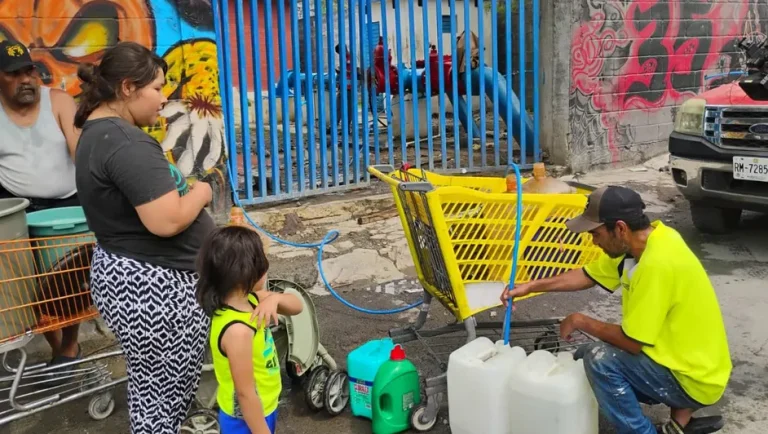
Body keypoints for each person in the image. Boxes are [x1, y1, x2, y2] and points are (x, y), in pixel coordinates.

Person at [500, 186, 731, 434]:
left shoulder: (656, 265)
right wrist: (531, 286)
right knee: (584, 355)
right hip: (689, 360)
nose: (593, 241)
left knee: (600, 360)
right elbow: (588, 275)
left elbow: (632, 342)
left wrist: (580, 320)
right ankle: (678, 424)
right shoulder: (649, 241)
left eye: (596, 233)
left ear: (620, 228)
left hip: (693, 378)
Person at [73, 42, 215, 433]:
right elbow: (167, 221)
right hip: (155, 288)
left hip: (139, 279)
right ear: (127, 88)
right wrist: (202, 191)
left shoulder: (99, 132)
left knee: (154, 393)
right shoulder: (126, 143)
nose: (164, 97)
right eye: (156, 87)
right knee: (162, 401)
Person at [0, 39, 84, 365]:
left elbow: (81, 153)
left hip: (66, 208)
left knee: (70, 284)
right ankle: (56, 346)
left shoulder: (59, 102)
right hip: (19, 211)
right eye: (13, 74)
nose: (25, 80)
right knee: (31, 288)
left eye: (29, 71)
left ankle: (70, 346)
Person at [196, 225, 303, 434]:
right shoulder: (237, 331)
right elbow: (245, 394)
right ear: (247, 271)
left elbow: (297, 306)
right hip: (245, 420)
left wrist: (275, 299)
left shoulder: (252, 300)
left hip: (264, 406)